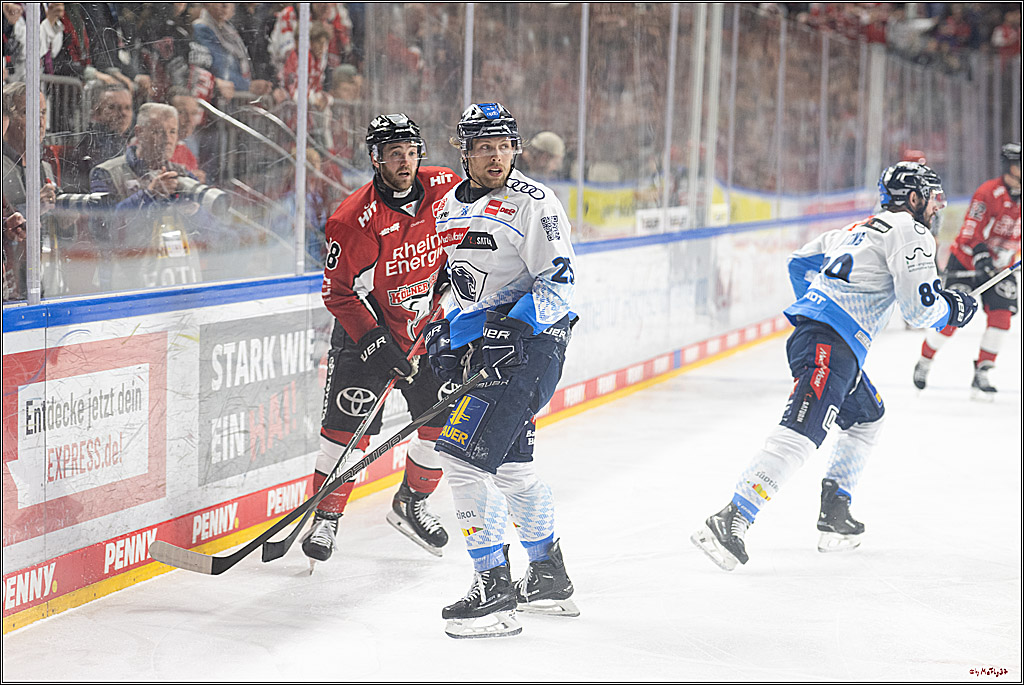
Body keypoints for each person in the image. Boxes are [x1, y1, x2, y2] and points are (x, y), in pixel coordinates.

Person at [691, 161, 978, 571]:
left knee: (867, 416)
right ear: (913, 198)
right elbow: (919, 310)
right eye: (931, 197)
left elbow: (799, 264)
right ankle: (733, 516)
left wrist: (822, 305)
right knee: (801, 431)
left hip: (823, 342)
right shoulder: (909, 230)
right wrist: (953, 307)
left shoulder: (852, 231)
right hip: (830, 346)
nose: (936, 207)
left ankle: (835, 512)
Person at [425, 103, 580, 639]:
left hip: (531, 347)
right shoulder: (448, 207)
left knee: (461, 458)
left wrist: (506, 332)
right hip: (491, 350)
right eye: (484, 145)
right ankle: (548, 577)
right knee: (511, 468)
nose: (497, 155)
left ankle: (493, 590)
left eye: (504, 144)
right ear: (463, 150)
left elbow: (558, 282)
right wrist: (445, 333)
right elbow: (457, 281)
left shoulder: (535, 203)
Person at [305, 113, 461, 565]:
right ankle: (327, 517)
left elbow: (468, 229)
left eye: (412, 153)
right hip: (366, 335)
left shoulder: (443, 186)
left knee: (440, 423)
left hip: (425, 331)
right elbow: (337, 292)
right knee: (345, 433)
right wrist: (374, 343)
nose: (406, 162)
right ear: (375, 158)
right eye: (395, 154)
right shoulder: (353, 220)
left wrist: (454, 273)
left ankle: (411, 502)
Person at [912, 142, 1021, 398]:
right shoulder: (988, 192)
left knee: (1001, 318)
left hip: (1002, 268)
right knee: (950, 320)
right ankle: (925, 360)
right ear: (1009, 167)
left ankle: (982, 370)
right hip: (967, 262)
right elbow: (971, 229)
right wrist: (981, 257)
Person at [88, 102, 206, 291]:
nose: (167, 139)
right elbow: (104, 228)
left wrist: (194, 213)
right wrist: (149, 195)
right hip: (127, 285)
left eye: (172, 132)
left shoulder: (183, 175)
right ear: (139, 132)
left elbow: (208, 228)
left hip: (178, 282)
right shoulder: (106, 173)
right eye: (158, 131)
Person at [1, 81, 67, 300]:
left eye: (42, 112)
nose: (39, 121)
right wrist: (29, 209)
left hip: (40, 282)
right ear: (6, 120)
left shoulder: (44, 166)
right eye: (27, 112)